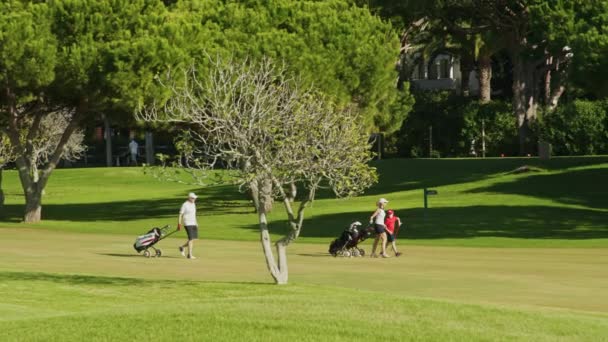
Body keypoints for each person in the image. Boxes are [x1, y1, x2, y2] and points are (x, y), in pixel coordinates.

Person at [178, 192, 199, 259]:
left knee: (194, 239)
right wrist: (179, 223)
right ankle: (189, 255)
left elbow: (194, 214)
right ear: (189, 198)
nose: (194, 199)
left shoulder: (193, 204)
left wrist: (196, 222)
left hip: (193, 222)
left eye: (195, 198)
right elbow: (180, 214)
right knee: (190, 239)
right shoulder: (185, 205)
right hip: (187, 223)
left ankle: (182, 247)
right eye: (193, 198)